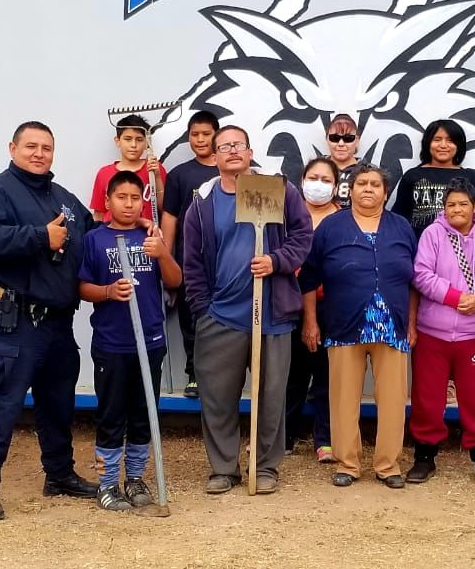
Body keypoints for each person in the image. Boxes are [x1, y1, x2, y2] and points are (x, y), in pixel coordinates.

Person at [0, 121, 100, 520]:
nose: (39, 154)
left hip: (58, 323)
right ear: (12, 148)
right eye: (31, 146)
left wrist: (132, 229)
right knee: (2, 404)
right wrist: (41, 237)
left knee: (58, 404)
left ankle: (59, 475)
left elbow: (91, 242)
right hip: (13, 320)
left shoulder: (67, 200)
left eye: (46, 148)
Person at [182, 125, 313, 495]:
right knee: (218, 397)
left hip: (271, 313)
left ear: (250, 150)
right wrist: (203, 309)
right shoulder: (203, 202)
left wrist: (276, 261)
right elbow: (191, 260)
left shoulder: (278, 190)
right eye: (223, 147)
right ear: (215, 156)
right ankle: (224, 468)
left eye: (238, 144)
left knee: (271, 396)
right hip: (221, 314)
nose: (231, 151)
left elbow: (302, 236)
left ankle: (265, 466)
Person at [299, 165, 417, 489]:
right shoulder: (331, 228)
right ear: (349, 191)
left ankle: (387, 465)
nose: (368, 188)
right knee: (342, 398)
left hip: (391, 325)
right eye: (361, 183)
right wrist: (310, 321)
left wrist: (412, 323)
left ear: (385, 191)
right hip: (342, 323)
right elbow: (308, 279)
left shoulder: (402, 228)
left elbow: (414, 282)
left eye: (375, 184)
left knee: (393, 399)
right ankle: (348, 464)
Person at [79, 171, 182, 511]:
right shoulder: (95, 239)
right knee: (111, 414)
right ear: (107, 201)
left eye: (134, 198)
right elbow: (82, 287)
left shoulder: (150, 236)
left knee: (143, 413)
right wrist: (108, 291)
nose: (128, 203)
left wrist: (162, 253)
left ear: (143, 202)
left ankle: (135, 478)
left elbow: (175, 280)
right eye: (120, 197)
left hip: (150, 340)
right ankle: (107, 484)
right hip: (112, 343)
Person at [408, 179, 475, 487]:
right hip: (433, 332)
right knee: (427, 399)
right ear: (444, 208)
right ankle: (424, 457)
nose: (457, 209)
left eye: (463, 204)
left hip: (474, 335)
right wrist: (455, 298)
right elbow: (421, 274)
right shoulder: (432, 235)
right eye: (451, 204)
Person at [160, 110, 220, 397]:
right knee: (192, 320)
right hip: (189, 260)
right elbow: (169, 219)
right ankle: (194, 375)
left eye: (206, 134)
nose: (199, 139)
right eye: (194, 134)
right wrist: (167, 260)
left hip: (225, 263)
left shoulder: (230, 171)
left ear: (216, 136)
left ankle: (223, 379)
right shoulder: (179, 175)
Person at [284, 156, 339, 462]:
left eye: (326, 179)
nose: (318, 184)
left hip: (330, 306)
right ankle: (283, 436)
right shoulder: (287, 215)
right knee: (291, 374)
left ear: (336, 186)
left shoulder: (343, 220)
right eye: (313, 177)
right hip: (288, 304)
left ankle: (326, 438)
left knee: (327, 375)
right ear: (301, 180)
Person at [392, 119, 475, 237]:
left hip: (460, 249)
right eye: (437, 140)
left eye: (450, 141)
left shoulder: (470, 178)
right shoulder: (412, 176)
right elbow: (399, 217)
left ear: (459, 146)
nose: (443, 145)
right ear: (428, 143)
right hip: (417, 249)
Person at [89, 114, 167, 224]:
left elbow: (165, 209)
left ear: (147, 143)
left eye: (139, 140)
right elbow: (98, 213)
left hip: (146, 236)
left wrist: (157, 177)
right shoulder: (104, 173)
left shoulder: (154, 168)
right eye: (128, 139)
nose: (133, 145)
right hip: (112, 236)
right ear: (117, 141)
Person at [325, 113, 361, 209]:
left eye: (348, 138)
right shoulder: (314, 169)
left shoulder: (368, 171)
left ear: (357, 141)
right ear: (327, 139)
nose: (341, 143)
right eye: (335, 138)